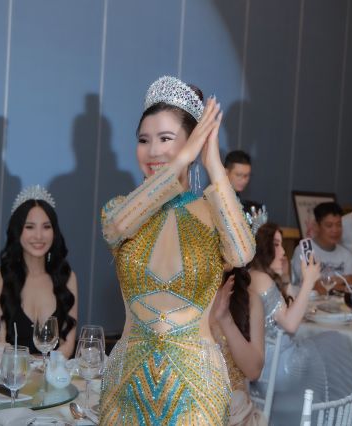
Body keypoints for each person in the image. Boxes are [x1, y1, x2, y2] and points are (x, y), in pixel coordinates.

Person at [99, 76, 255, 424]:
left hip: (196, 395)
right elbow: (117, 228)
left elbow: (242, 253)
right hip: (125, 390)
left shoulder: (213, 213)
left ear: (195, 142)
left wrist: (213, 163)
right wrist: (181, 157)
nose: (153, 151)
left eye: (166, 139)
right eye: (144, 140)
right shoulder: (121, 210)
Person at [248, 223, 352, 424]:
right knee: (335, 342)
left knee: (327, 347)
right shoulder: (262, 278)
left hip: (261, 368)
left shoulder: (252, 276)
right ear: (263, 248)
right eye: (276, 245)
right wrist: (308, 281)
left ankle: (325, 413)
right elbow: (291, 324)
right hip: (278, 367)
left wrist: (284, 277)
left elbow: (286, 311)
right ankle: (340, 415)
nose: (283, 252)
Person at [0, 185, 77, 357]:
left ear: (54, 232)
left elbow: (68, 345)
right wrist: (29, 366)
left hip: (52, 373)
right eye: (30, 227)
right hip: (11, 372)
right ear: (17, 230)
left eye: (46, 227)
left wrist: (43, 368)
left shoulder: (67, 277)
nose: (39, 236)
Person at [210, 269, 266, 426]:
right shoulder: (180, 299)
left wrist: (225, 319)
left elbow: (253, 371)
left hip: (235, 415)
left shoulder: (248, 299)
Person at [292, 202, 352, 293]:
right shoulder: (305, 250)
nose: (335, 230)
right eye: (329, 225)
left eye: (339, 225)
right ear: (316, 226)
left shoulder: (346, 255)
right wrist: (340, 281)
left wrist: (326, 284)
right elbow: (312, 285)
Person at [224, 150, 263, 216]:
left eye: (247, 175)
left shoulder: (238, 200)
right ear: (226, 172)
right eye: (238, 175)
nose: (244, 180)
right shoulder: (214, 199)